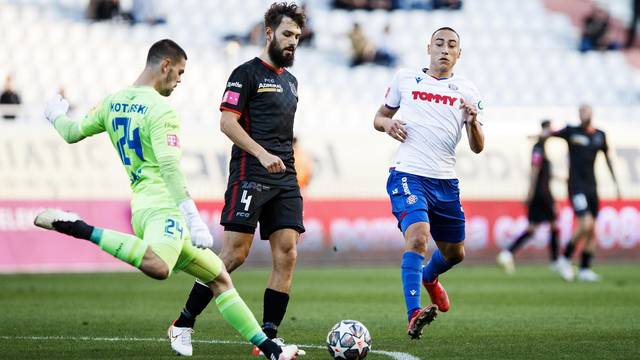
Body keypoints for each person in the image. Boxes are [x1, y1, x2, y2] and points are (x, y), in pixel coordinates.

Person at [34, 39, 302, 360]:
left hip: (142, 206)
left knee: (219, 277)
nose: (179, 80)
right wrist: (191, 216)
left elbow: (72, 132)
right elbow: (169, 166)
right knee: (159, 266)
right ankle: (78, 227)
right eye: (179, 72)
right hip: (165, 209)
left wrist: (54, 115)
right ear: (165, 66)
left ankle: (270, 349)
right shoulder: (161, 110)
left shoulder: (113, 102)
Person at [168, 3, 306, 357]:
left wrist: (284, 159)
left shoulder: (291, 82)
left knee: (287, 254)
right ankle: (182, 323)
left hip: (285, 176)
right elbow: (227, 122)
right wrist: (261, 154)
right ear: (270, 33)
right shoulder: (245, 74)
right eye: (288, 35)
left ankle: (269, 337)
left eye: (298, 37)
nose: (293, 42)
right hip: (250, 172)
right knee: (233, 255)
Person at [373, 27, 484, 339]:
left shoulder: (467, 90)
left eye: (451, 45)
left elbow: (477, 146)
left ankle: (429, 277)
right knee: (419, 238)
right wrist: (388, 124)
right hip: (408, 174)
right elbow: (378, 118)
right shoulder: (405, 78)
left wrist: (473, 120)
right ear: (429, 48)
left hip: (445, 181)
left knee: (455, 253)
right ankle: (413, 314)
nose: (444, 50)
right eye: (439, 44)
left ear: (459, 54)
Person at [553, 105, 621, 282]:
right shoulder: (571, 131)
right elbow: (552, 134)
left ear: (592, 114)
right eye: (581, 112)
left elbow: (608, 159)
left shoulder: (600, 135)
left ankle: (584, 269)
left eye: (586, 111)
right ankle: (564, 258)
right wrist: (542, 135)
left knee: (592, 230)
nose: (584, 114)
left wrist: (616, 183)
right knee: (585, 223)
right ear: (579, 115)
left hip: (592, 188)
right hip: (576, 187)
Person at [497, 120, 559, 274]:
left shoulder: (541, 148)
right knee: (554, 225)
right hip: (542, 194)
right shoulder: (538, 148)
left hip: (541, 192)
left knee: (532, 229)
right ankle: (556, 261)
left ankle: (507, 253)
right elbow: (535, 170)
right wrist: (530, 192)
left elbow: (544, 172)